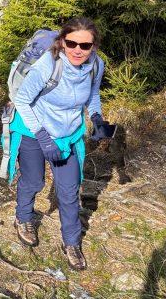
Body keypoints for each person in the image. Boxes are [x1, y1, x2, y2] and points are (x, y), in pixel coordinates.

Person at [10, 17, 113, 271]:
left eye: (85, 45)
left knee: (68, 191)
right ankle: (23, 217)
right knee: (34, 181)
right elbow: (22, 100)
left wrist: (96, 117)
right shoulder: (49, 64)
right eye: (72, 43)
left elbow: (93, 94)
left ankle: (72, 242)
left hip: (68, 134)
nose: (78, 50)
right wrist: (43, 137)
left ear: (93, 46)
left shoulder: (95, 65)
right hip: (33, 129)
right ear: (62, 41)